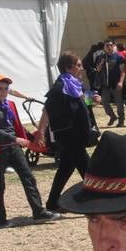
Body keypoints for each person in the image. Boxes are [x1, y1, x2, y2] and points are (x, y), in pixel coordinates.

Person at [0, 74, 56, 227]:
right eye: (0, 88)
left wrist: (32, 139)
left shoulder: (10, 105)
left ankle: (38, 211)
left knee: (28, 177)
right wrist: (15, 139)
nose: (3, 91)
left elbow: (17, 126)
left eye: (6, 89)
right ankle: (0, 218)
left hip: (14, 148)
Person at [36, 52, 98, 213]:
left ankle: (52, 203)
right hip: (69, 136)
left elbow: (81, 103)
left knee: (65, 168)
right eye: (78, 65)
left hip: (76, 134)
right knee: (88, 169)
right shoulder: (60, 87)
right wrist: (40, 132)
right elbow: (47, 110)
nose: (82, 68)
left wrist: (93, 99)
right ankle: (98, 202)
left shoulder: (74, 85)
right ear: (68, 68)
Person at [91, 40, 126, 127]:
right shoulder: (101, 57)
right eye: (107, 46)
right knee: (104, 102)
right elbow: (98, 70)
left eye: (110, 45)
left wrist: (121, 82)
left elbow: (123, 71)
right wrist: (102, 62)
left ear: (113, 46)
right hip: (105, 84)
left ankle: (121, 120)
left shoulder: (118, 57)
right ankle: (112, 116)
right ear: (104, 47)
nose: (109, 47)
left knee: (119, 103)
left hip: (116, 84)